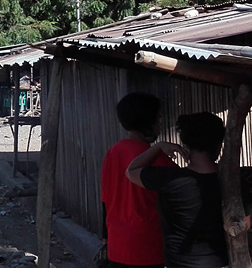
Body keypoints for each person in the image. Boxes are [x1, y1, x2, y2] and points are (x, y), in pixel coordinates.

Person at [126, 112, 241, 268]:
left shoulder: (170, 179)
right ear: (219, 144)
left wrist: (159, 147)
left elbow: (131, 170)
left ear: (185, 144)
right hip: (220, 263)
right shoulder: (235, 180)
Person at [100, 92, 172, 268]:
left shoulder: (113, 152)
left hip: (117, 243)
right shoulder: (158, 159)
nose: (161, 124)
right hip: (147, 246)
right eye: (159, 119)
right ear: (149, 122)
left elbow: (104, 199)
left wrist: (106, 237)